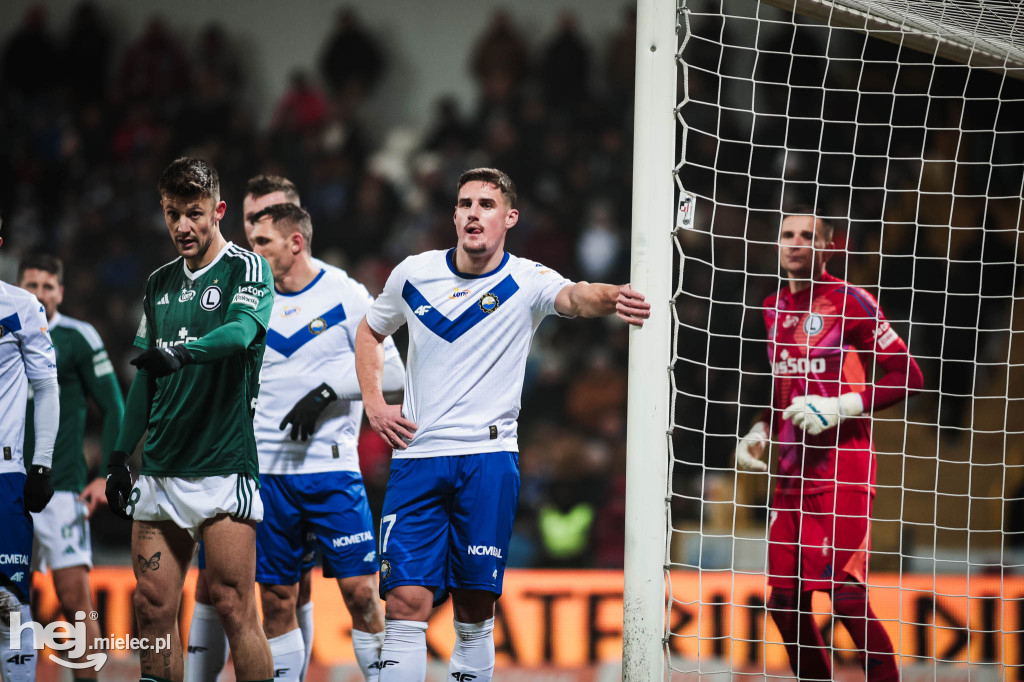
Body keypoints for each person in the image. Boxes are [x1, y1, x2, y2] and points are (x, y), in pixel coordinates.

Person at [354, 167, 649, 681]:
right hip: (418, 458)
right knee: (404, 602)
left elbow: (577, 297)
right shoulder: (412, 274)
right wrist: (376, 405)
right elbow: (369, 331)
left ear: (509, 217)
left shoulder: (527, 280)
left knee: (473, 612)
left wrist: (612, 296)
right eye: (465, 203)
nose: (473, 213)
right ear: (453, 215)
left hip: (489, 462)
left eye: (486, 205)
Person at [734, 208, 923, 681]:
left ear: (828, 246)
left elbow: (910, 375)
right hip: (790, 475)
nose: (795, 242)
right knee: (783, 603)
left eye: (807, 236)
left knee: (846, 595)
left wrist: (842, 406)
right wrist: (760, 431)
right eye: (787, 234)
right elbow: (786, 389)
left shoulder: (852, 301)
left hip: (844, 471)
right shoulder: (772, 306)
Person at [105, 156, 274, 682]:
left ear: (219, 211)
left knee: (232, 604)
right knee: (153, 608)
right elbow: (144, 381)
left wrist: (184, 352)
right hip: (159, 472)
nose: (183, 226)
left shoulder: (247, 269)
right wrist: (118, 456)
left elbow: (241, 333)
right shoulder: (157, 285)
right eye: (172, 213)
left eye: (195, 213)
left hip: (224, 467)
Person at [186, 175, 314, 681]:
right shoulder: (214, 281)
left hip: (295, 465)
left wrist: (327, 393)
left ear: (294, 226)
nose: (256, 233)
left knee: (284, 590)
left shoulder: (337, 289)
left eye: (269, 222)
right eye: (249, 222)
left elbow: (380, 364)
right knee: (212, 582)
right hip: (225, 453)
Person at [18, 254, 125, 673]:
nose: (40, 294)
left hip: (62, 488)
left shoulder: (78, 338)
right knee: (8, 599)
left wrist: (105, 476)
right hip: (10, 485)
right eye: (32, 285)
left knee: (76, 600)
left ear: (61, 292)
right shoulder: (6, 334)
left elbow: (115, 407)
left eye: (48, 286)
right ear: (18, 287)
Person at [0, 217, 59, 682]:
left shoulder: (21, 306)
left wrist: (41, 464)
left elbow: (46, 387)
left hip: (5, 476)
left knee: (9, 604)